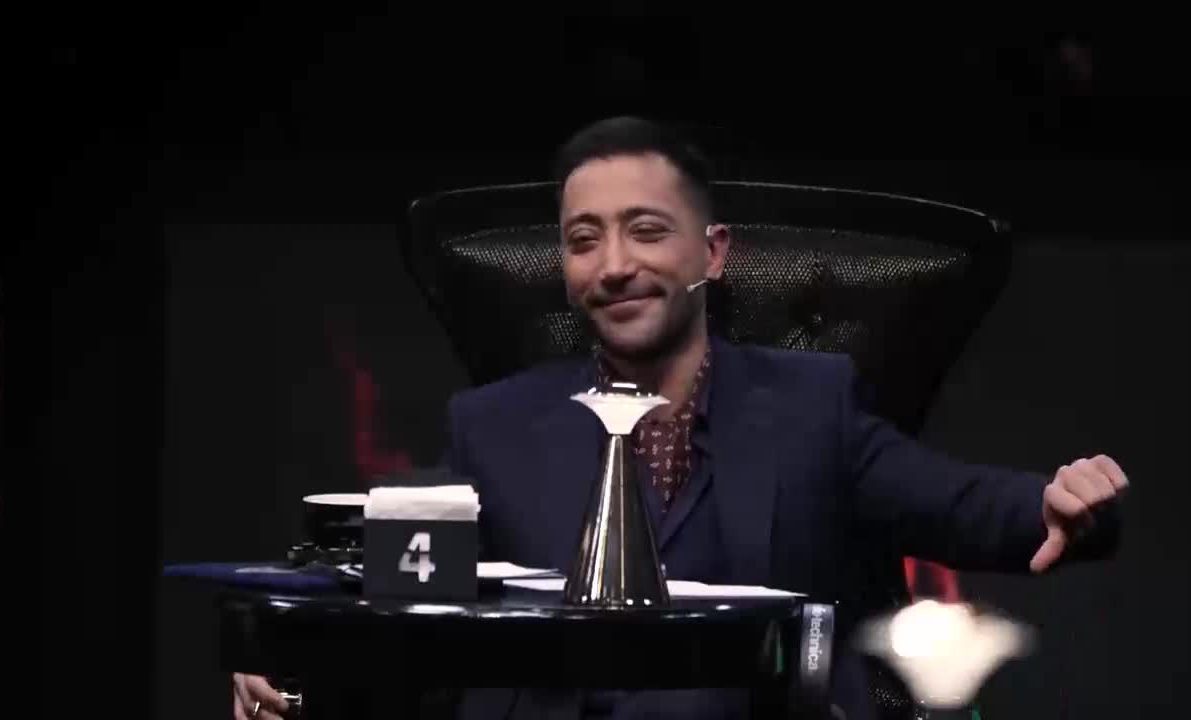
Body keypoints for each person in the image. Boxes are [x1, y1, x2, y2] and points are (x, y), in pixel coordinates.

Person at [233, 116, 1128, 720]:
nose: (614, 264)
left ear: (713, 251)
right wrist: (295, 652)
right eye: (584, 240)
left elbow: (962, 503)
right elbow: (395, 589)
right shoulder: (491, 425)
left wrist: (1063, 508)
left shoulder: (813, 406)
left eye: (647, 230)